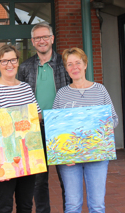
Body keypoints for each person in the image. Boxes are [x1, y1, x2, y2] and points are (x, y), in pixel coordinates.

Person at [53, 47, 118, 212]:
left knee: (97, 205)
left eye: (78, 63)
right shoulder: (61, 94)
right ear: (66, 69)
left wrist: (98, 130)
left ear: (85, 65)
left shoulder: (100, 90)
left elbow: (114, 119)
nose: (74, 67)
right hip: (70, 158)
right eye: (70, 64)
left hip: (97, 154)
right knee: (72, 205)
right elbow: (56, 127)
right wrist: (63, 154)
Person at [18, 22, 70, 213]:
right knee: (39, 181)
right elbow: (20, 98)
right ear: (33, 41)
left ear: (52, 39)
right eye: (37, 38)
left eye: (45, 37)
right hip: (35, 128)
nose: (42, 41)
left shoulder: (65, 64)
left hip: (61, 127)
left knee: (67, 176)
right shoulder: (25, 67)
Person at [0, 44, 42, 213]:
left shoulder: (25, 88)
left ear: (18, 62)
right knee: (4, 206)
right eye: (4, 61)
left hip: (27, 154)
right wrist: (21, 120)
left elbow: (36, 116)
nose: (9, 65)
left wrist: (20, 120)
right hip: (3, 156)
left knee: (26, 205)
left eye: (13, 60)